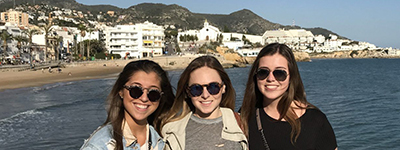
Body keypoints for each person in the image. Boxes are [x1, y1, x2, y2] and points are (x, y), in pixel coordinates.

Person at [240, 43, 337, 150]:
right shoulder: (245, 116)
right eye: (263, 72)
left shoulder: (315, 120)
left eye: (279, 73)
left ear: (291, 77)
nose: (271, 78)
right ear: (255, 76)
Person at [80, 60, 175, 150]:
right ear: (121, 91)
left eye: (153, 93)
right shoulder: (101, 145)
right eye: (136, 90)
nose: (144, 98)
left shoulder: (161, 140)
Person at [161, 56, 248, 150]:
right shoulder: (171, 131)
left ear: (223, 88)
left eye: (213, 87)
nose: (205, 95)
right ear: (188, 91)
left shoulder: (242, 124)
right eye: (196, 89)